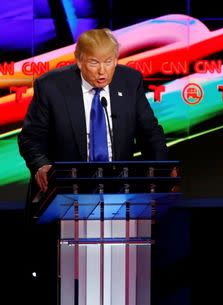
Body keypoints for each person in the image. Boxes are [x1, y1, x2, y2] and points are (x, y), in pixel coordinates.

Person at [18, 28, 168, 303]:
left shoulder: (130, 81)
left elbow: (151, 133)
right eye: (94, 62)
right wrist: (41, 165)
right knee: (69, 287)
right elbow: (31, 138)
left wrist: (158, 177)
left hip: (117, 199)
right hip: (65, 198)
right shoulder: (51, 86)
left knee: (115, 283)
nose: (103, 71)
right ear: (79, 60)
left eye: (109, 61)